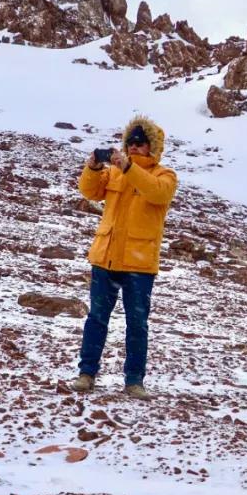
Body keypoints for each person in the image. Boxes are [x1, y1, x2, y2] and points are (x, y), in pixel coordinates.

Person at [71, 116, 177, 400]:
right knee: (96, 319)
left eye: (140, 143)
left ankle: (134, 381)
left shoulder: (164, 176)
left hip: (139, 264)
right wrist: (93, 166)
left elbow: (157, 193)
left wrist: (128, 167)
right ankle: (86, 374)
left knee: (137, 325)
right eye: (130, 142)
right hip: (105, 258)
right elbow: (89, 191)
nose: (134, 146)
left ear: (152, 147)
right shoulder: (114, 173)